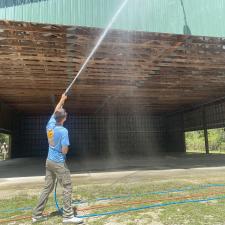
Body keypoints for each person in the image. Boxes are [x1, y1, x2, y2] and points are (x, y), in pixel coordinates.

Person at [32, 94, 83, 224]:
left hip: (49, 161)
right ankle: (68, 216)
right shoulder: (63, 131)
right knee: (67, 187)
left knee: (47, 188)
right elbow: (65, 150)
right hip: (59, 163)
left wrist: (62, 99)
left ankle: (36, 215)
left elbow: (57, 109)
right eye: (65, 113)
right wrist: (62, 152)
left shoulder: (50, 124)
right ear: (64, 118)